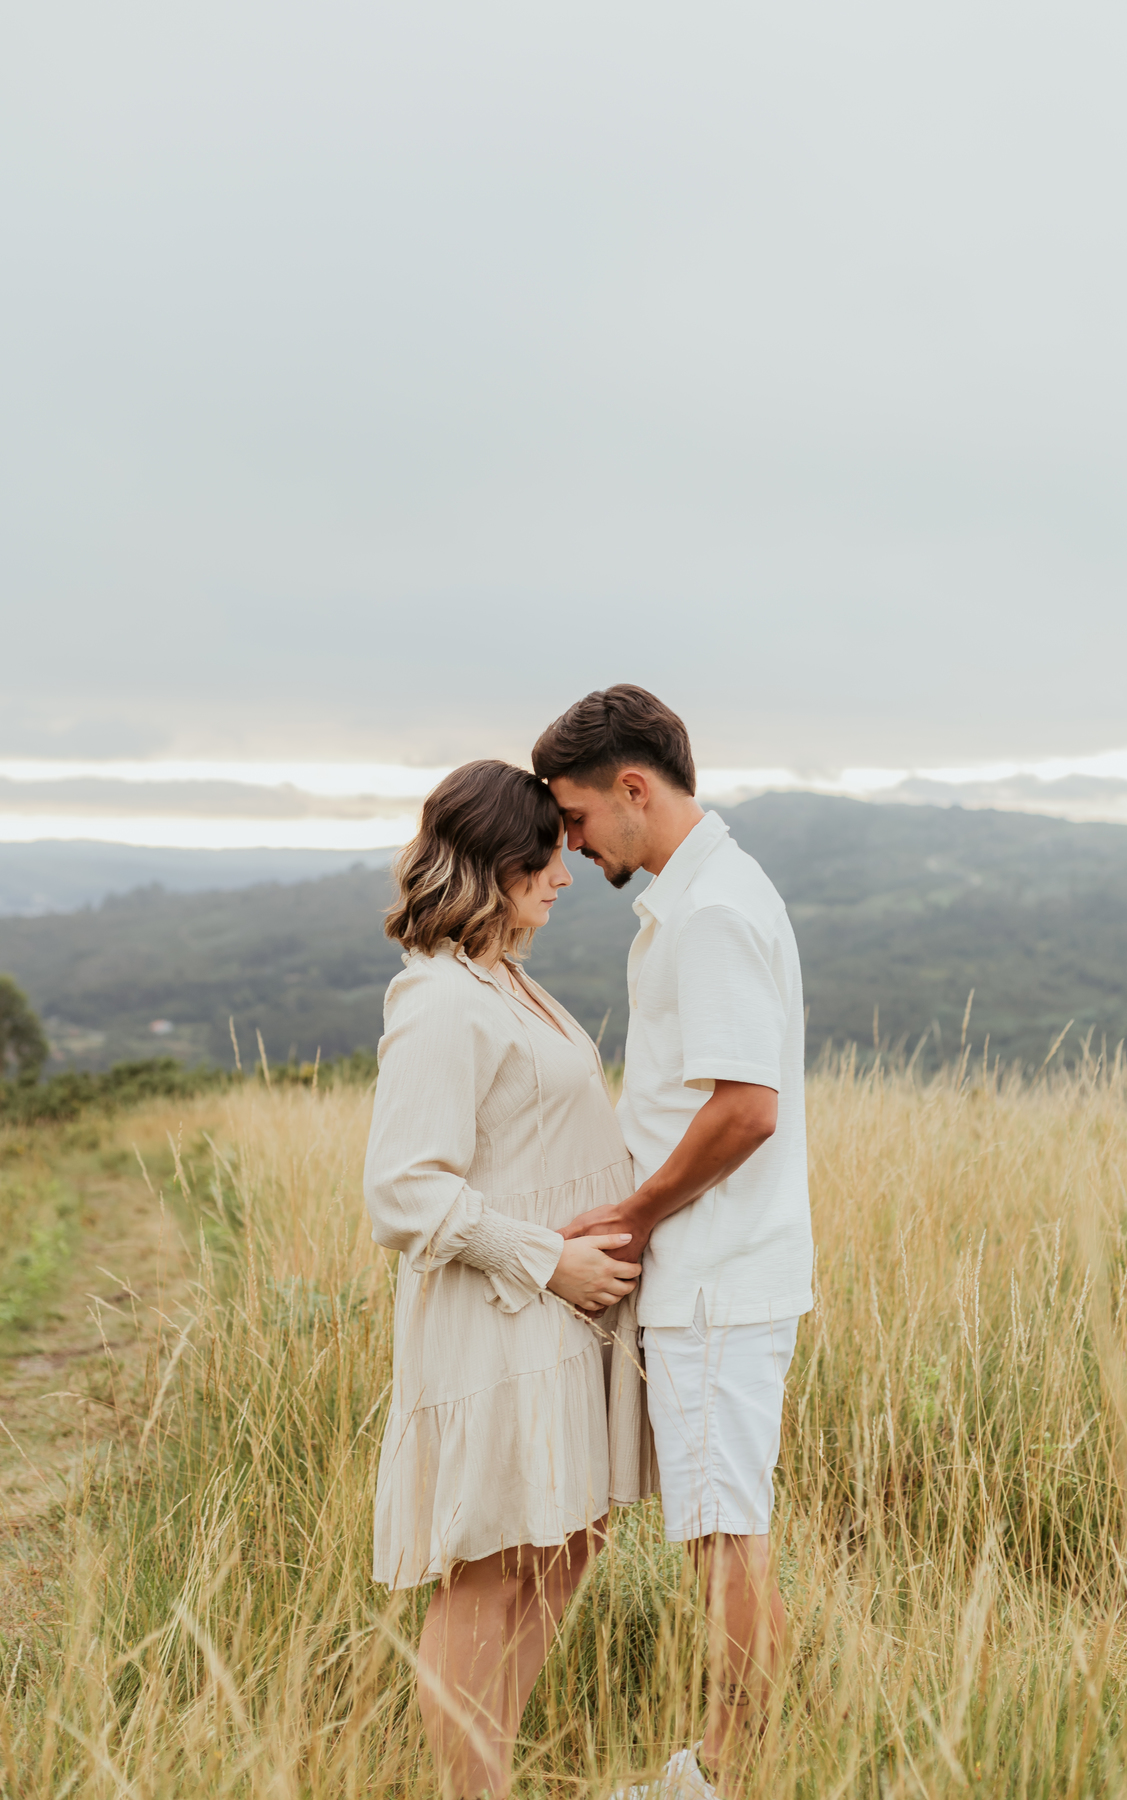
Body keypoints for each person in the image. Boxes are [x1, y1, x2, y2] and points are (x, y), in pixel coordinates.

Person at [532, 686, 813, 1796]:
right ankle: (737, 1763)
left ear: (633, 788)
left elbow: (747, 1109)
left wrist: (636, 1216)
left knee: (723, 1534)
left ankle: (731, 1775)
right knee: (721, 1527)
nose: (570, 843)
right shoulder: (702, 898)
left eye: (575, 816)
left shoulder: (713, 914)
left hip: (715, 1281)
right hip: (713, 1275)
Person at [363, 760, 655, 1800]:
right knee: (494, 1567)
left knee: (565, 1547)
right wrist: (549, 1259)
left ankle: (492, 1773)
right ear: (490, 863)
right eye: (543, 857)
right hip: (500, 1318)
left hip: (560, 1321)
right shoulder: (441, 996)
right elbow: (402, 1191)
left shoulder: (507, 978)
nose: (565, 875)